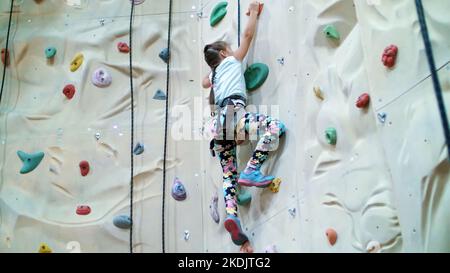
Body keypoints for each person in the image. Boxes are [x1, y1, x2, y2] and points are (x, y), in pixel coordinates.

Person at [202, 1, 286, 253]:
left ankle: (232, 215)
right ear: (225, 54)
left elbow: (206, 83)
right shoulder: (231, 61)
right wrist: (252, 13)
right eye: (229, 49)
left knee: (229, 175)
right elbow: (248, 35)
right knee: (274, 126)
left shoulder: (214, 75)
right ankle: (252, 169)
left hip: (217, 128)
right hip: (234, 114)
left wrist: (211, 71)